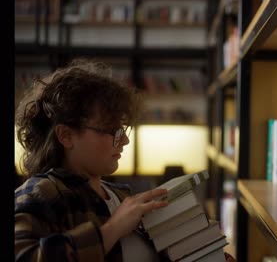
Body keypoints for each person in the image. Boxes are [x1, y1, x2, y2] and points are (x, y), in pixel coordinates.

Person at [14, 58, 236, 262]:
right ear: (66, 135)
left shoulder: (121, 197)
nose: (125, 141)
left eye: (122, 129)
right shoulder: (42, 193)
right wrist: (113, 228)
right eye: (111, 131)